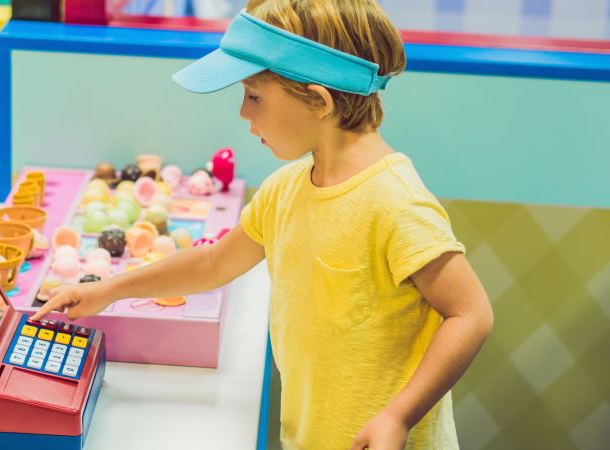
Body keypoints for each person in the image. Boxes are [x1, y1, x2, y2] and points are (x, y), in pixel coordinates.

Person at [33, 1, 494, 448]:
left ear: (317, 100)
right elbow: (214, 263)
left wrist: (398, 416)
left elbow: (470, 314)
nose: (243, 112)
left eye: (254, 95)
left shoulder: (396, 203)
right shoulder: (286, 189)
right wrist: (109, 290)